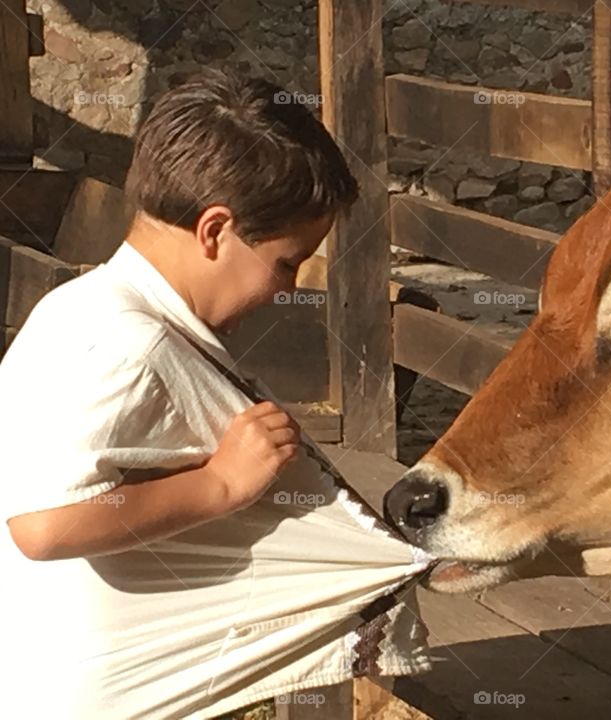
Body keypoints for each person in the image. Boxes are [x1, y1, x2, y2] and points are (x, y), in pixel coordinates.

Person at [0, 68, 432, 719]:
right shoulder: (130, 344)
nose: (287, 289)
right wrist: (223, 485)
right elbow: (43, 525)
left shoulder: (79, 305)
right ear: (214, 231)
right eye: (287, 261)